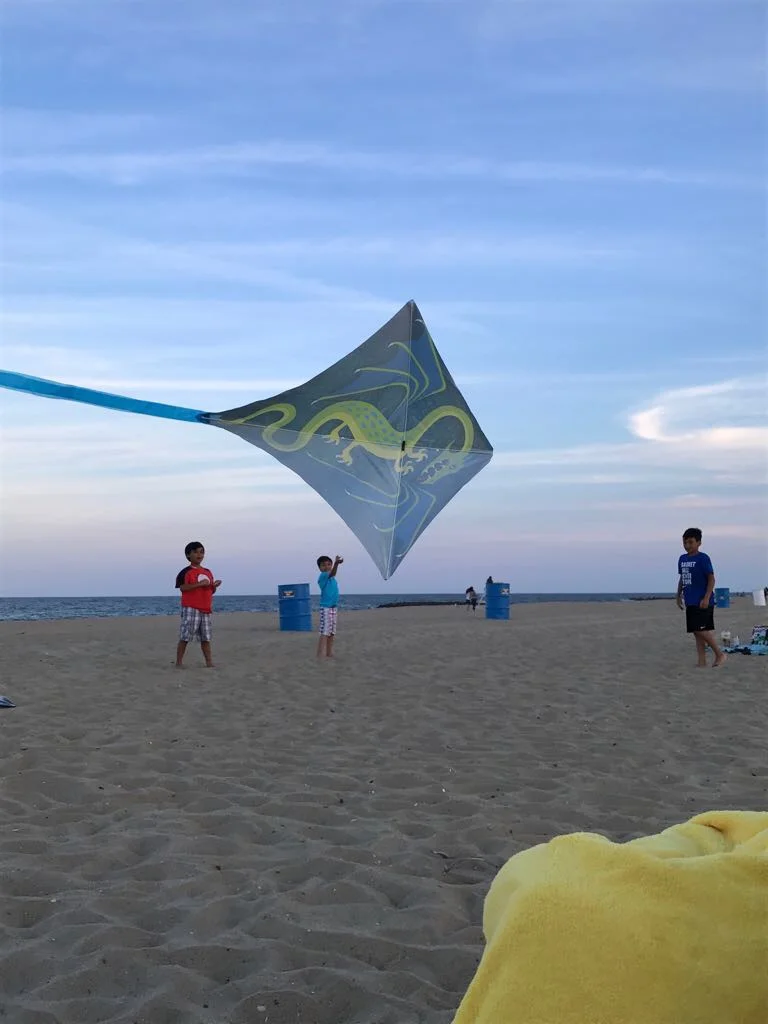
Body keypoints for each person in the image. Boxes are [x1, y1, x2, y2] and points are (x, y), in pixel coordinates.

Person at [676, 528, 726, 668]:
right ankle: (702, 661)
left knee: (700, 629)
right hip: (690, 599)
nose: (687, 545)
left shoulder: (703, 558)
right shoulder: (682, 559)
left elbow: (711, 579)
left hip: (703, 600)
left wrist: (706, 597)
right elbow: (683, 578)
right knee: (696, 632)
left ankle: (719, 654)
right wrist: (678, 595)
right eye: (685, 542)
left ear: (699, 542)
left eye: (691, 542)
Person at [175, 541, 221, 668]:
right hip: (191, 607)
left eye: (201, 552)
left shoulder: (207, 571)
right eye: (195, 552)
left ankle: (209, 662)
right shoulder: (186, 572)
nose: (199, 554)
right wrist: (200, 584)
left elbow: (211, 591)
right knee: (185, 636)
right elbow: (183, 588)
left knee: (206, 637)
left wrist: (214, 585)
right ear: (188, 555)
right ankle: (179, 662)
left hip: (205, 609)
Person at [316, 554, 343, 658]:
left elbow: (333, 574)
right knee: (325, 632)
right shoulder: (323, 576)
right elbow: (332, 573)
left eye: (329, 564)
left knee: (332, 632)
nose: (326, 567)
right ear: (319, 568)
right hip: (326, 608)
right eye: (323, 565)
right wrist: (336, 564)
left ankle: (329, 652)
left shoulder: (332, 579)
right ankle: (320, 654)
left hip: (333, 607)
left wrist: (335, 565)